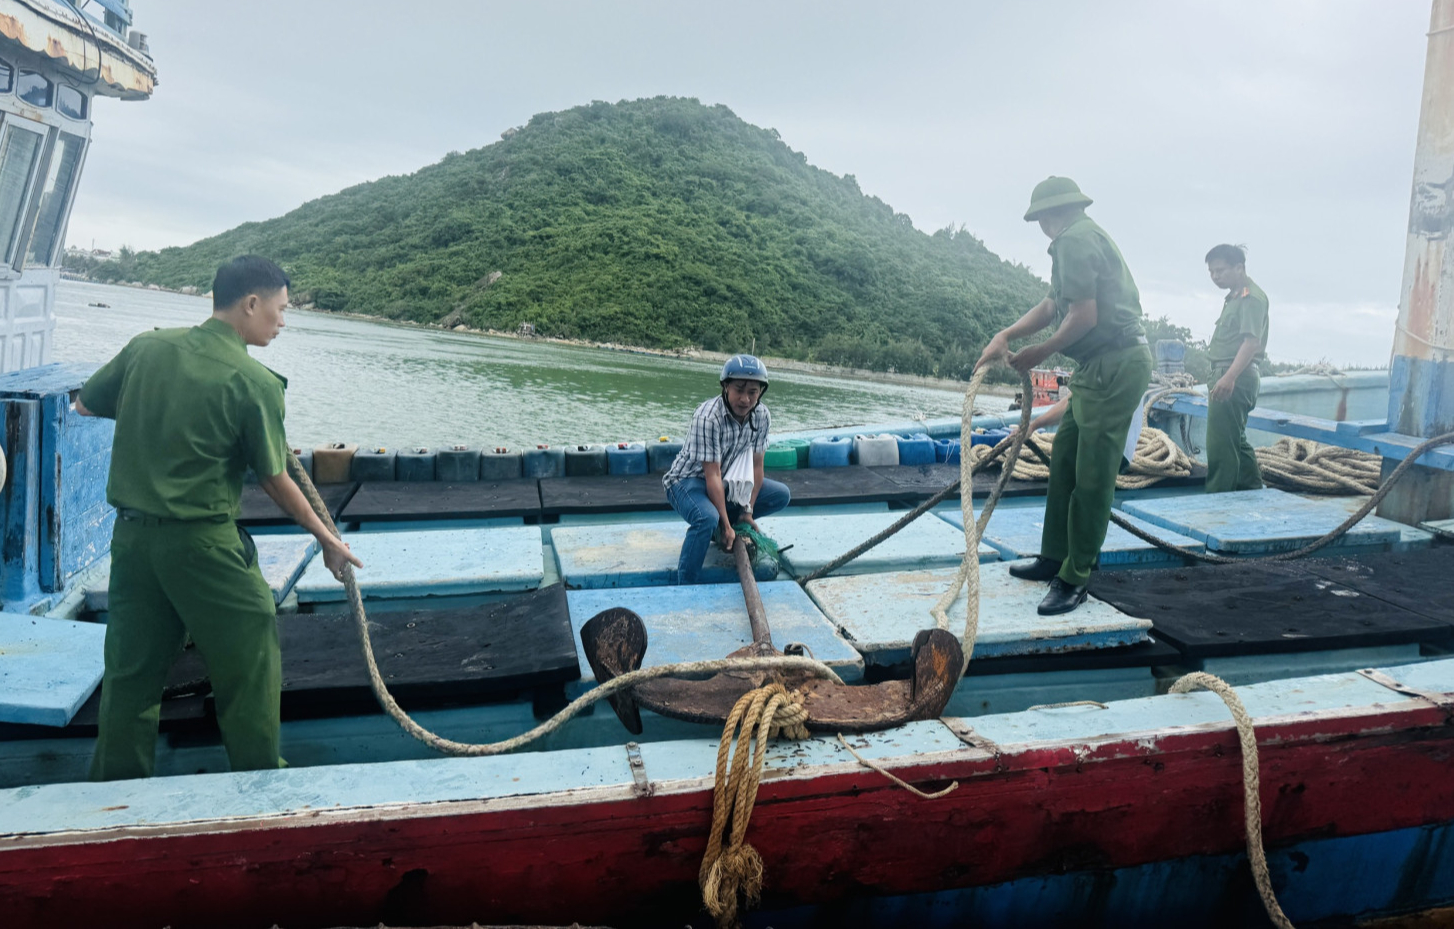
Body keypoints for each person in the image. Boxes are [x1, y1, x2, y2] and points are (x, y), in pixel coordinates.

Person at [77, 255, 362, 780]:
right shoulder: (254, 382)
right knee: (249, 657)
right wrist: (326, 537)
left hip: (133, 542)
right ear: (251, 304)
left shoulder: (146, 348)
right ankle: (257, 780)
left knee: (131, 674)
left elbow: (86, 406)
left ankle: (112, 794)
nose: (282, 321)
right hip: (202, 546)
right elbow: (277, 479)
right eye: (279, 309)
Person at [976, 177, 1153, 615]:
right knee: (1065, 458)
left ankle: (1076, 577)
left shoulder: (1076, 239)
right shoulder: (1074, 242)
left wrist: (1040, 351)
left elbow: (1084, 316)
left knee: (1092, 473)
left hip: (1117, 365)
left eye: (1039, 219)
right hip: (1095, 367)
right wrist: (1008, 334)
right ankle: (1054, 556)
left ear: (1048, 216)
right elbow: (1052, 306)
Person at [662, 354, 790, 584]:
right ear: (725, 387)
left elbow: (757, 467)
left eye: (753, 391)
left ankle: (718, 529)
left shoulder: (761, 416)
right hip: (686, 482)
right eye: (739, 389)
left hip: (724, 481)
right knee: (706, 517)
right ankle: (686, 586)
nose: (745, 399)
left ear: (761, 392)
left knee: (780, 495)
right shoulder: (708, 417)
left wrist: (747, 511)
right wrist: (727, 524)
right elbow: (711, 475)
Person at [1204, 243, 1269, 493]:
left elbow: (1251, 342)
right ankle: (1252, 490)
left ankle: (1218, 501)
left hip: (1235, 375)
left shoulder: (1250, 297)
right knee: (1235, 441)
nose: (1215, 276)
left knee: (1221, 445)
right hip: (1226, 373)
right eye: (1212, 272)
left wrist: (1229, 377)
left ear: (1239, 268)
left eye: (1220, 270)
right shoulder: (1234, 297)